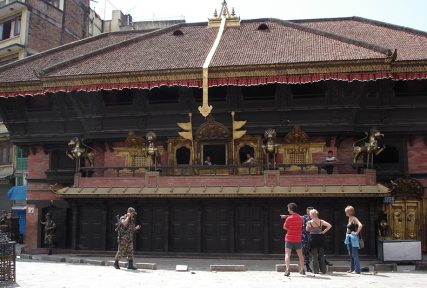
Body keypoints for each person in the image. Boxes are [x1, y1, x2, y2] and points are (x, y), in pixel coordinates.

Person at [306, 209, 332, 274]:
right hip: (320, 238)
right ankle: (323, 270)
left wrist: (311, 228)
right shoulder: (321, 221)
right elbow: (329, 226)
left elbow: (307, 230)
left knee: (314, 256)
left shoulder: (309, 222)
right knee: (321, 255)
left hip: (313, 238)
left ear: (311, 215)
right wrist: (323, 232)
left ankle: (316, 271)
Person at [283, 202, 305, 276]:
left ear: (291, 209)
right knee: (300, 255)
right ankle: (302, 269)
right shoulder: (300, 218)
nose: (288, 210)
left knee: (287, 254)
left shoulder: (289, 218)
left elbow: (284, 227)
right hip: (298, 238)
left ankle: (287, 270)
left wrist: (289, 228)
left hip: (289, 238)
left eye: (288, 209)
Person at [344, 205, 363, 274]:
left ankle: (357, 270)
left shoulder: (354, 218)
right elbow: (348, 228)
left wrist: (356, 232)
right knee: (351, 254)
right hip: (349, 237)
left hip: (353, 238)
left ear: (349, 212)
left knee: (355, 254)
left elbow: (360, 225)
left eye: (346, 211)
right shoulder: (349, 219)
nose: (345, 213)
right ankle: (352, 269)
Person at [301, 207, 313, 272]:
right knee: (305, 251)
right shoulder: (304, 217)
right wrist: (286, 216)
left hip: (313, 236)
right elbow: (296, 217)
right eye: (308, 211)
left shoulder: (315, 218)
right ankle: (307, 266)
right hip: (305, 237)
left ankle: (323, 262)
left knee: (318, 249)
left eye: (310, 211)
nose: (308, 212)